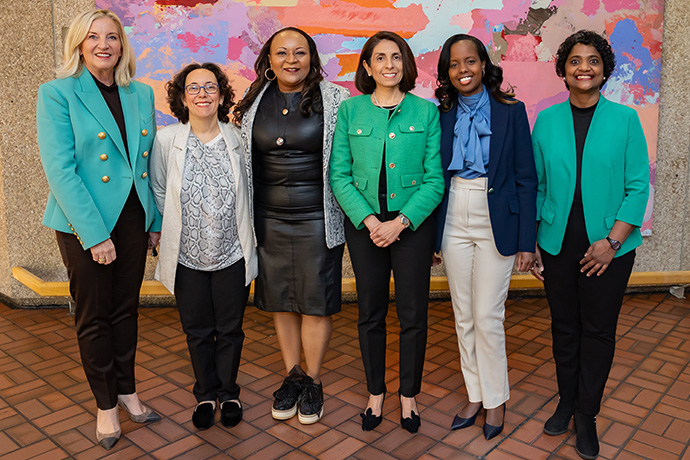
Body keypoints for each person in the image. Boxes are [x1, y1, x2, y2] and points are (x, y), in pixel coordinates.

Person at [36, 9, 162, 450]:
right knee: (94, 316)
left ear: (122, 45)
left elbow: (147, 166)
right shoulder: (57, 93)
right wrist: (94, 235)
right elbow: (61, 171)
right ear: (79, 44)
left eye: (112, 37)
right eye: (93, 37)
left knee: (126, 310)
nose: (103, 44)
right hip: (83, 222)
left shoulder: (140, 93)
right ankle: (106, 405)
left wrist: (154, 221)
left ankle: (127, 390)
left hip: (131, 218)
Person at [531, 30, 649, 459]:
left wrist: (612, 243)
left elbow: (638, 188)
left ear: (604, 69)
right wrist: (536, 240)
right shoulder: (545, 121)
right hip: (558, 243)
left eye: (593, 60)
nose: (584, 67)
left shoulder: (625, 120)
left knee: (597, 332)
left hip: (609, 248)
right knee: (564, 328)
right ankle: (566, 400)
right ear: (563, 70)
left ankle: (587, 414)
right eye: (575, 60)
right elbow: (538, 186)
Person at [233, 27, 349, 425]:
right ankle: (293, 375)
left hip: (318, 217)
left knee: (315, 299)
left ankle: (313, 381)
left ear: (312, 58)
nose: (291, 60)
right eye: (281, 52)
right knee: (281, 297)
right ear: (268, 59)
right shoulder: (253, 101)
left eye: (300, 52)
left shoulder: (335, 100)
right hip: (269, 218)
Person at [330, 31, 444, 434]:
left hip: (410, 226)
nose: (389, 65)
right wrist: (372, 221)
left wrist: (400, 222)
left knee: (414, 314)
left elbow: (435, 181)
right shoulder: (351, 111)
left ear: (406, 64)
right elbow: (339, 175)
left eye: (396, 57)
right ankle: (375, 392)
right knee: (370, 312)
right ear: (367, 67)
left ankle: (408, 395)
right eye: (380, 58)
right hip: (366, 227)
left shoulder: (425, 112)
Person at [434, 34, 537, 440]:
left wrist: (527, 241)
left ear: (483, 64)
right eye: (455, 64)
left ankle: (496, 401)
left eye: (471, 61)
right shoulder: (439, 114)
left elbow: (526, 178)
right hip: (454, 211)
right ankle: (474, 393)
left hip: (497, 216)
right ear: (446, 72)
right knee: (462, 315)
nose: (464, 70)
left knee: (488, 316)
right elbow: (433, 175)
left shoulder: (511, 111)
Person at [149, 63, 258, 430]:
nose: (202, 94)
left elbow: (252, 191)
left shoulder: (238, 139)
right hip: (186, 254)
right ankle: (205, 394)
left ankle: (229, 393)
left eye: (210, 87)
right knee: (196, 329)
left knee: (230, 328)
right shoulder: (167, 141)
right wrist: (174, 226)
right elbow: (160, 189)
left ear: (222, 95)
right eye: (193, 88)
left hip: (231, 251)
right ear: (182, 97)